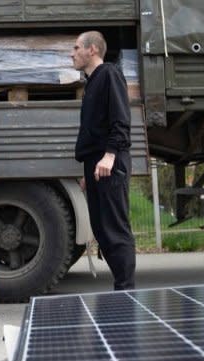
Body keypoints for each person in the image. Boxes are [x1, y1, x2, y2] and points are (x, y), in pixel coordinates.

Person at [71, 31, 136, 290]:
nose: (72, 54)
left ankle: (126, 289)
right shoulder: (92, 83)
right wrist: (89, 173)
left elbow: (120, 119)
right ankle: (122, 286)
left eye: (76, 48)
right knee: (101, 229)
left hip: (109, 162)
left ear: (92, 50)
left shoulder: (109, 74)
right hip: (95, 166)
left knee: (115, 229)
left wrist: (110, 155)